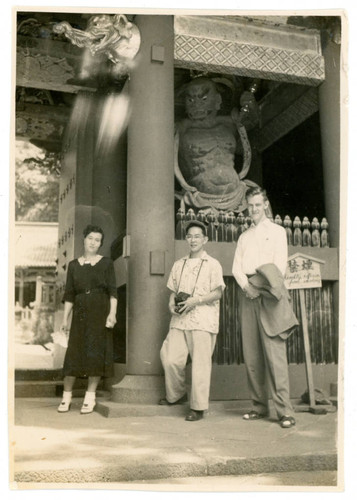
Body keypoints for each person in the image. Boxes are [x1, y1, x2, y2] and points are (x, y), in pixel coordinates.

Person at [232, 186, 298, 428]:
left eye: (258, 204)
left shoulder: (278, 232)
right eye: (250, 205)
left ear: (266, 204)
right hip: (247, 294)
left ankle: (285, 411)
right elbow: (236, 268)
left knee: (275, 354)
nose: (254, 209)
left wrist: (256, 286)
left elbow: (279, 266)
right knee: (252, 354)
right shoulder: (244, 236)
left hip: (270, 292)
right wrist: (246, 287)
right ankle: (259, 406)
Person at [159, 220, 225, 421]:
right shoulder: (179, 264)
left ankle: (198, 407)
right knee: (170, 358)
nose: (193, 240)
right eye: (190, 236)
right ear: (186, 239)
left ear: (205, 239)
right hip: (180, 319)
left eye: (197, 236)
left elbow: (218, 293)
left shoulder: (213, 264)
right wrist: (171, 302)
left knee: (200, 364)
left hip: (203, 320)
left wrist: (196, 300)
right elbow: (173, 291)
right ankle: (177, 395)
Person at [57, 225, 118, 414]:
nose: (93, 242)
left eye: (97, 240)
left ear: (100, 244)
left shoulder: (106, 263)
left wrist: (112, 313)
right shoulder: (74, 265)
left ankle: (89, 397)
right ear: (84, 239)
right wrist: (65, 319)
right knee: (74, 353)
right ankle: (66, 397)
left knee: (96, 353)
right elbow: (69, 295)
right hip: (81, 312)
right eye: (90, 238)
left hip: (100, 311)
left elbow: (113, 292)